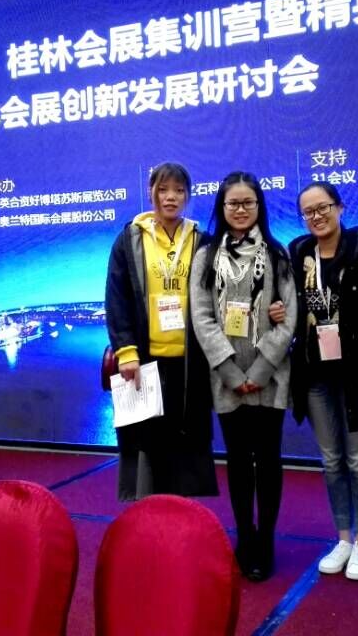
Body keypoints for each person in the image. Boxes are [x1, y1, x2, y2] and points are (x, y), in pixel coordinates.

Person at [273, 182, 358, 582]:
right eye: (308, 211)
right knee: (331, 461)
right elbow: (293, 304)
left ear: (340, 207)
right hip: (315, 373)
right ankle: (343, 538)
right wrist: (281, 312)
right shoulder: (300, 252)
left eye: (323, 207)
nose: (317, 216)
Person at [190, 171, 296, 582]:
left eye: (247, 202)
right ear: (221, 207)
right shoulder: (206, 256)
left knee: (268, 460)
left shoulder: (277, 253)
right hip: (227, 380)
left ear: (258, 206)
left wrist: (262, 368)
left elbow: (289, 317)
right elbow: (202, 318)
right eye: (232, 203)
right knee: (237, 460)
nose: (240, 209)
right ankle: (245, 535)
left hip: (271, 378)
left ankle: (265, 538)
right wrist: (232, 372)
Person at [104, 162, 218, 502]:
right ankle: (148, 515)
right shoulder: (129, 240)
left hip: (190, 363)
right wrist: (126, 352)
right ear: (151, 192)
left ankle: (182, 514)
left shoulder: (201, 240)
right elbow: (117, 298)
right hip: (144, 361)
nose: (171, 197)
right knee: (146, 443)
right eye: (163, 189)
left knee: (188, 440)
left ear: (188, 196)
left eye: (179, 190)